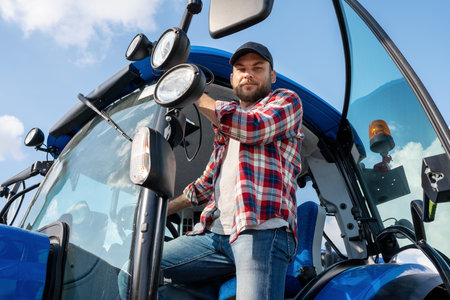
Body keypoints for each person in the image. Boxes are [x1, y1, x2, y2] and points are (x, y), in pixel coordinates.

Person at [161, 42, 303, 300]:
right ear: (232, 78)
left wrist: (192, 90)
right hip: (214, 236)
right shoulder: (224, 133)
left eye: (257, 68)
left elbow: (253, 128)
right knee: (139, 267)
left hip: (260, 230)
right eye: (241, 69)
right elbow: (202, 187)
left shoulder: (286, 102)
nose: (248, 73)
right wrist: (161, 211)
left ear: (271, 75)